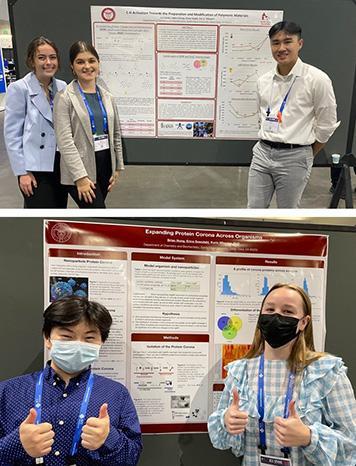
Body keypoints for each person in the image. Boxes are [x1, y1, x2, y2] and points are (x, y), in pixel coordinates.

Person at [208, 283, 356, 465]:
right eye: (270, 309)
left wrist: (309, 437)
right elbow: (220, 438)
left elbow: (351, 446)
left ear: (303, 322)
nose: (276, 316)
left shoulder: (326, 372)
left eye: (287, 312)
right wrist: (226, 420)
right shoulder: (240, 371)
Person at [0, 296, 142, 465]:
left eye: (89, 338)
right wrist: (17, 444)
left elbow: (132, 458)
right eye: (67, 336)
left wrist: (109, 439)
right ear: (47, 338)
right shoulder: (8, 392)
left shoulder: (116, 393)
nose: (78, 345)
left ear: (101, 342)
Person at [247, 21, 340, 208]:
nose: (281, 48)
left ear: (300, 44)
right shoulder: (264, 81)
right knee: (253, 211)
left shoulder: (317, 79)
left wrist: (305, 153)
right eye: (275, 43)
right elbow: (262, 117)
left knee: (288, 214)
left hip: (295, 155)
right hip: (262, 153)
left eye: (287, 41)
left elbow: (327, 124)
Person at [53, 41, 124, 208]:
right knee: (98, 213)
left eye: (91, 61)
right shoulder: (64, 98)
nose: (87, 66)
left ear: (98, 64)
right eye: (80, 61)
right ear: (72, 66)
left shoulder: (107, 96)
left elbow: (115, 133)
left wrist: (117, 167)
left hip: (105, 165)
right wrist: (80, 178)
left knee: (94, 214)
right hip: (80, 170)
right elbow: (65, 142)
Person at [4, 36, 68, 208]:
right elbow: (12, 135)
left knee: (59, 211)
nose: (48, 62)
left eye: (52, 57)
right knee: (40, 213)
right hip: (35, 168)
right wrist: (22, 172)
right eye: (41, 57)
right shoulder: (19, 88)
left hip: (60, 163)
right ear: (32, 61)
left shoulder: (62, 87)